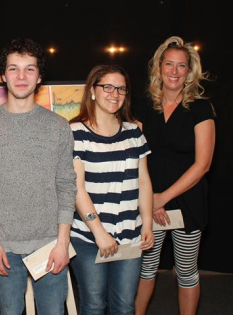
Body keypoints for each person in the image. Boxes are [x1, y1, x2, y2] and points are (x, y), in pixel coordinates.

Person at [0, 38, 77, 315]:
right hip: (3, 247)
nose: (21, 76)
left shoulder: (58, 127)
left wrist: (63, 242)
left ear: (40, 77)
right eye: (13, 68)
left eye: (29, 69)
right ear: (2, 75)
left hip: (50, 245)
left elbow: (66, 185)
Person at [135, 36, 216, 315]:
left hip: (186, 203)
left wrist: (163, 198)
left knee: (186, 271)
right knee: (145, 269)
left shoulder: (201, 108)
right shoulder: (145, 106)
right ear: (158, 68)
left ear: (189, 70)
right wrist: (151, 200)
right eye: (168, 64)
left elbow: (203, 165)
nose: (174, 71)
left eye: (181, 65)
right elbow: (136, 155)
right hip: (148, 201)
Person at [69, 65, 155, 315]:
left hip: (130, 234)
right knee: (94, 305)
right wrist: (99, 233)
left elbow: (144, 182)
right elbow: (77, 189)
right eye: (107, 86)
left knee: (125, 306)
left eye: (121, 89)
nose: (115, 94)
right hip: (88, 236)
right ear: (93, 91)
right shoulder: (76, 133)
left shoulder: (133, 132)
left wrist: (147, 223)